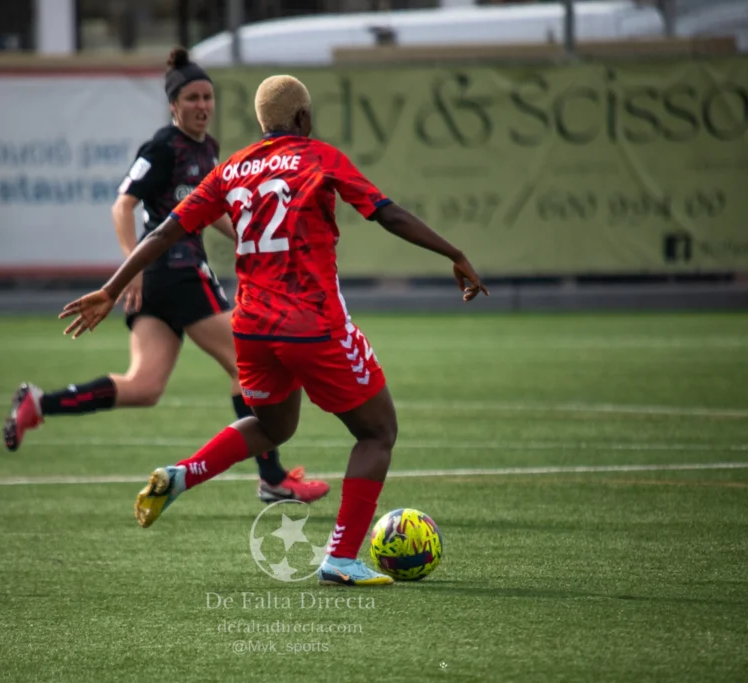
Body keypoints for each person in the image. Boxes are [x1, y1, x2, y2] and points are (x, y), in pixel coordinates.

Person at [58, 74, 488, 587]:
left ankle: (180, 476)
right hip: (312, 325)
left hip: (253, 329)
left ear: (263, 122)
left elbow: (166, 230)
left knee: (274, 426)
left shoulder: (231, 168)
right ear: (303, 119)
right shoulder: (319, 157)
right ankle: (340, 558)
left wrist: (112, 287)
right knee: (377, 432)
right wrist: (455, 254)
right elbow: (387, 214)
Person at [3, 49, 329, 506]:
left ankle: (39, 403)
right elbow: (123, 205)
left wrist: (251, 237)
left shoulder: (208, 149)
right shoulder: (161, 148)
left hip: (164, 282)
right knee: (248, 365)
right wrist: (128, 268)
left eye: (208, 97)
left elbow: (210, 210)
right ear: (173, 105)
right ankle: (272, 478)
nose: (202, 105)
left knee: (144, 387)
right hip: (175, 272)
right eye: (192, 98)